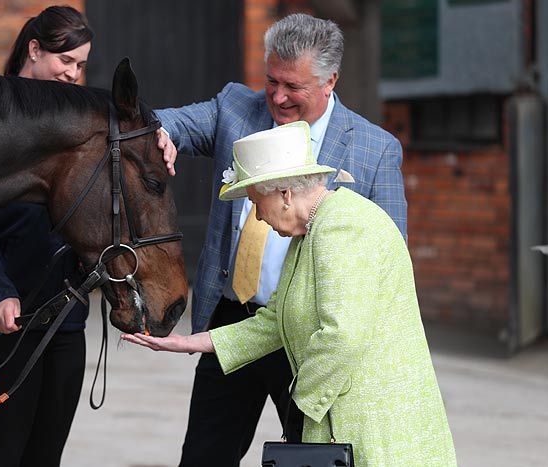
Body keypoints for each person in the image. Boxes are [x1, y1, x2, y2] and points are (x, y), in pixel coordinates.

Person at [122, 121, 457, 466]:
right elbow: (275, 319)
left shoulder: (343, 226)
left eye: (255, 201)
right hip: (343, 425)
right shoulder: (309, 232)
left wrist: (298, 399)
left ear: (284, 194)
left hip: (376, 430)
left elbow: (342, 336)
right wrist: (194, 343)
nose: (256, 216)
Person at [154, 13, 407, 466]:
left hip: (313, 338)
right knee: (203, 457)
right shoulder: (237, 108)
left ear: (330, 80)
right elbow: (170, 122)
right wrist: (162, 135)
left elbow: (389, 262)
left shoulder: (374, 150)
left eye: (293, 86)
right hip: (232, 322)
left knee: (308, 458)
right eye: (271, 80)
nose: (277, 96)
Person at [0, 6, 94, 467]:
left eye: (80, 65)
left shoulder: (76, 127)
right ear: (34, 49)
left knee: (45, 458)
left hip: (65, 323)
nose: (72, 74)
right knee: (1, 457)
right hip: (1, 325)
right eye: (64, 61)